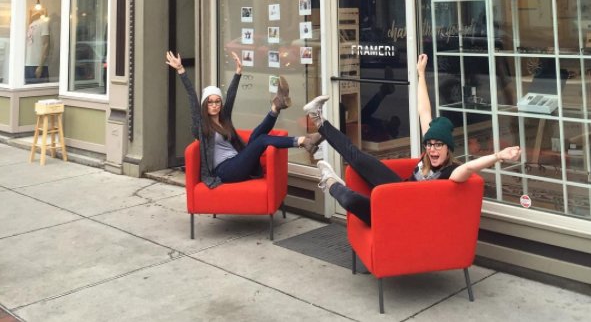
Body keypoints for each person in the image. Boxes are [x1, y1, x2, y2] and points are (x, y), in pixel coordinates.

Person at [303, 53, 521, 226]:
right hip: (399, 189)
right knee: (358, 158)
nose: (432, 150)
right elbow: (424, 111)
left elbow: (470, 168)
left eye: (438, 145)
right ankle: (319, 120)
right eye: (430, 144)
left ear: (448, 148)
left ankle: (330, 182)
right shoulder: (428, 154)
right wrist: (421, 74)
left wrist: (499, 156)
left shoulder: (451, 171)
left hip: (402, 215)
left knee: (351, 199)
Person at [165, 50, 319, 187]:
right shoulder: (201, 126)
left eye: (217, 102)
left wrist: (238, 73)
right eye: (210, 102)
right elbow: (192, 98)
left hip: (239, 162)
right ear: (204, 105)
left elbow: (231, 96)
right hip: (225, 171)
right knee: (262, 140)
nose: (214, 105)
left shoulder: (224, 119)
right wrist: (181, 70)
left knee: (257, 135)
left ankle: (276, 107)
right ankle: (303, 141)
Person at [25, 8, 50, 84]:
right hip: (28, 64)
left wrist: (40, 66)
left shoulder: (43, 23)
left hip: (38, 64)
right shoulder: (31, 25)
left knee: (40, 88)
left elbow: (46, 44)